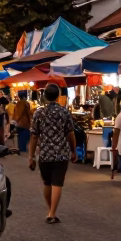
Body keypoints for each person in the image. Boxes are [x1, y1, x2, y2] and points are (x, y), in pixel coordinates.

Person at [28, 84, 76, 224]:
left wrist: (31, 156)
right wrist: (74, 150)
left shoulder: (39, 113)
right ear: (58, 95)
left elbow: (34, 136)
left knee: (47, 183)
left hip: (45, 153)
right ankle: (52, 213)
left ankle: (51, 211)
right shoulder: (64, 112)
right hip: (61, 153)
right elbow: (70, 134)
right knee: (57, 183)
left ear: (44, 96)